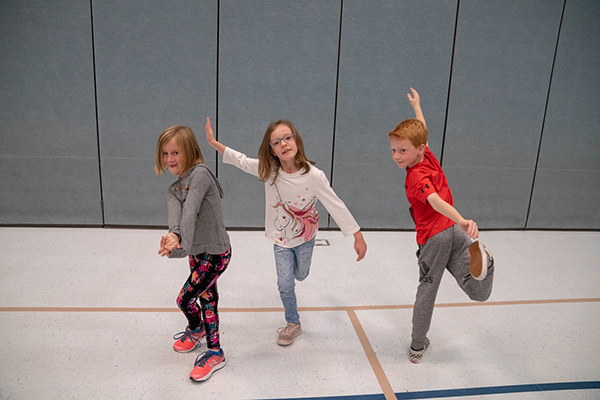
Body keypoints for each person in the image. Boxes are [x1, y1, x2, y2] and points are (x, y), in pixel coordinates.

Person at [205, 117, 367, 346]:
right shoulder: (268, 171)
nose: (284, 144)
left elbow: (335, 204)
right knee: (284, 283)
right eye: (276, 142)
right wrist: (214, 143)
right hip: (280, 239)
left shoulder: (314, 175)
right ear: (271, 150)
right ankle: (293, 322)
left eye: (287, 138)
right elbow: (241, 160)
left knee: (300, 274)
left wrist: (356, 234)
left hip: (306, 238)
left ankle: (296, 277)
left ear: (296, 140)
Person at [389, 88, 494, 364]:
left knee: (426, 290)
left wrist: (461, 218)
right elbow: (422, 130)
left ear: (418, 150)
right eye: (393, 150)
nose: (397, 156)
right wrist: (417, 107)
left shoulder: (415, 177)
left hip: (435, 240)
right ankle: (488, 266)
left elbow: (434, 201)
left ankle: (416, 345)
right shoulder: (428, 155)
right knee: (476, 290)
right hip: (455, 235)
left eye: (402, 150)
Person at [155, 125, 232, 381]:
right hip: (197, 253)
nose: (170, 159)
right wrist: (172, 239)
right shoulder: (173, 190)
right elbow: (177, 224)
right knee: (207, 300)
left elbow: (189, 215)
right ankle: (209, 343)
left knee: (185, 300)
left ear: (190, 150)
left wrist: (179, 247)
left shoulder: (200, 175)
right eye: (165, 154)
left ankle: (209, 345)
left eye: (175, 152)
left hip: (216, 253)